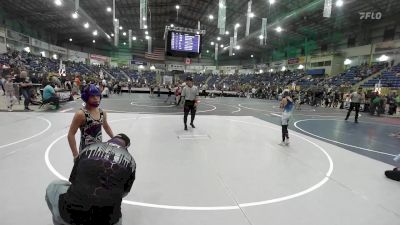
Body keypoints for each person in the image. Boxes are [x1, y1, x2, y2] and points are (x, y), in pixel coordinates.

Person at [45, 134, 136, 225]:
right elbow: (124, 193)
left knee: (55, 185)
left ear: (110, 140)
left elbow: (73, 180)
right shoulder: (131, 162)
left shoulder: (88, 149)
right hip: (108, 220)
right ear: (126, 146)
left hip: (69, 214)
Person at [67, 84, 114, 159]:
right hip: (85, 153)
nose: (96, 98)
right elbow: (71, 134)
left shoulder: (102, 112)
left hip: (98, 151)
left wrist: (114, 138)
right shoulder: (81, 114)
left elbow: (106, 126)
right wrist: (75, 155)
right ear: (86, 97)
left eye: (98, 96)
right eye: (92, 96)